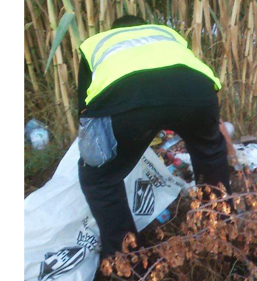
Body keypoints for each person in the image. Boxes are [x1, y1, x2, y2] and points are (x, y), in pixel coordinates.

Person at [76, 15, 234, 260]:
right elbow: (174, 85)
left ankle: (126, 261)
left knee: (100, 179)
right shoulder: (166, 34)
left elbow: (86, 110)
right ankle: (220, 229)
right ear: (144, 26)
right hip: (198, 93)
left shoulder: (96, 43)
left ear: (114, 31)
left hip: (125, 102)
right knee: (210, 154)